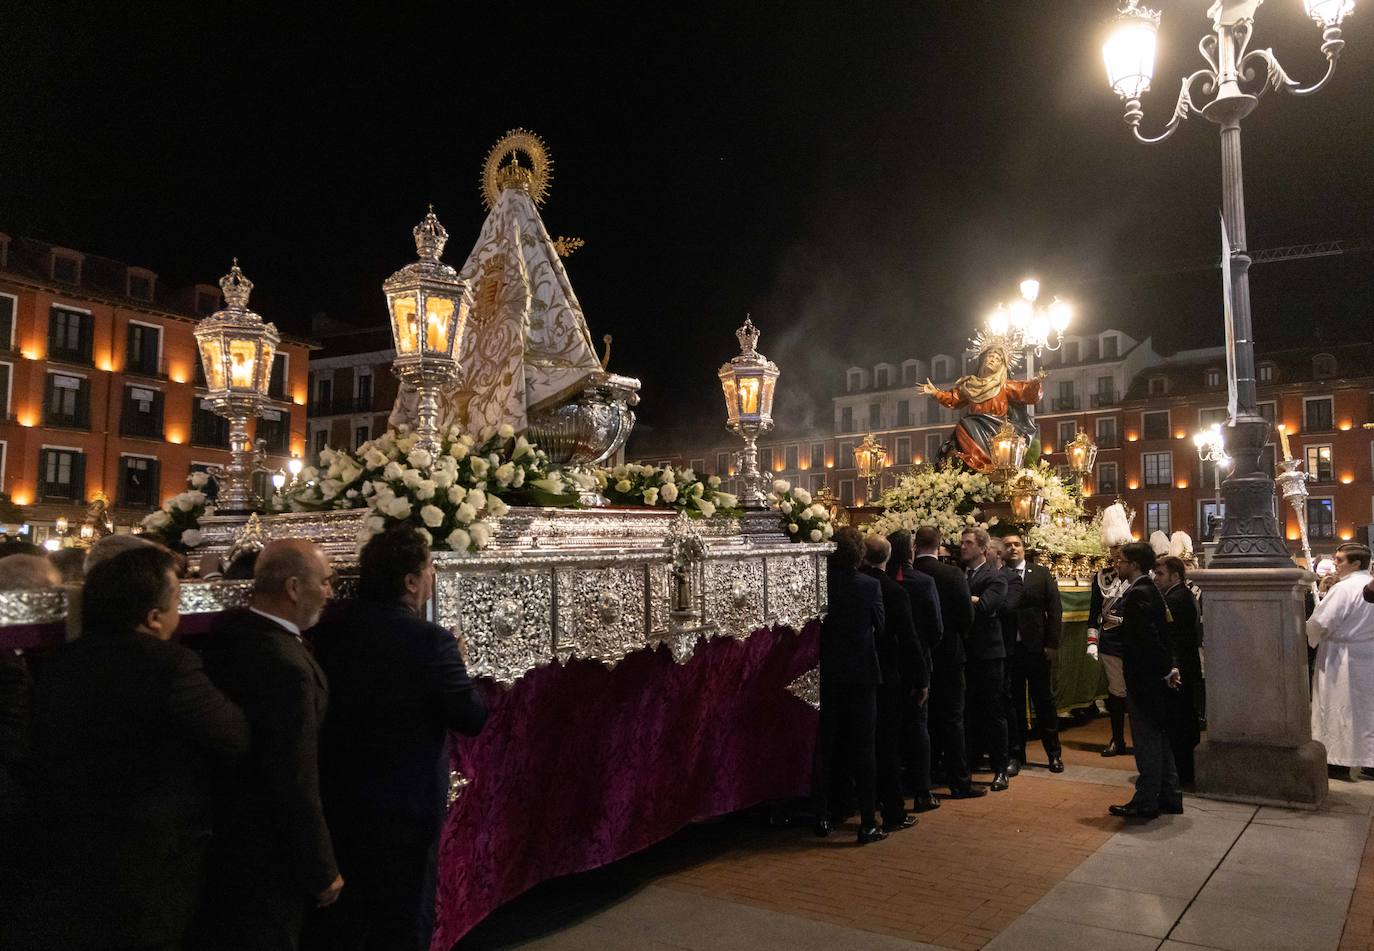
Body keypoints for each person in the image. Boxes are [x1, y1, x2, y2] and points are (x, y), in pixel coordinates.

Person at [4, 546, 250, 950]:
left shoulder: (63, 660)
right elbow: (233, 736)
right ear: (154, 617)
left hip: (66, 847)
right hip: (147, 856)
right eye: (177, 603)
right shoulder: (172, 666)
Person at [306, 526, 488, 950]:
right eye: (429, 569)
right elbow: (471, 717)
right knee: (403, 923)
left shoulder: (328, 633)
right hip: (406, 812)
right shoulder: (431, 643)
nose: (433, 577)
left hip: (340, 801)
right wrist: (461, 666)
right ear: (410, 582)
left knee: (345, 922)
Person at [194, 539, 342, 951]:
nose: (331, 592)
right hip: (268, 851)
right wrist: (321, 866)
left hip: (225, 836)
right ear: (294, 588)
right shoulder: (286, 665)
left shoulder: (231, 635)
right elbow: (294, 775)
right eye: (326, 581)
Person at [813, 527, 887, 843]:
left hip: (829, 672)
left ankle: (822, 815)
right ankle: (867, 821)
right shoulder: (869, 586)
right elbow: (880, 626)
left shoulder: (820, 585)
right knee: (863, 748)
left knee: (826, 745)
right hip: (861, 674)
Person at [1108, 543, 1182, 819]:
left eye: (1122, 561)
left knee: (1147, 740)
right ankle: (1170, 794)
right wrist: (1169, 668)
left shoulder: (1138, 594)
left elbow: (1147, 640)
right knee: (1159, 738)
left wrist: (1163, 670)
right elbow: (1166, 632)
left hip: (1144, 679)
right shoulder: (1152, 591)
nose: (1118, 565)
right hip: (1156, 676)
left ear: (1135, 564)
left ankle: (1147, 799)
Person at [910, 526, 984, 798]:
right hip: (949, 655)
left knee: (920, 720)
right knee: (952, 719)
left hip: (915, 656)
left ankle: (921, 778)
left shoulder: (905, 573)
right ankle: (958, 781)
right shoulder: (952, 574)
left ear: (915, 544)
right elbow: (967, 617)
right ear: (939, 544)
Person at [859, 535, 925, 833]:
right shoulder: (893, 591)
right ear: (886, 558)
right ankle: (893, 810)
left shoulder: (851, 584)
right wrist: (921, 679)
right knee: (888, 746)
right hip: (889, 676)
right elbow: (911, 640)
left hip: (859, 675)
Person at [885, 530, 944, 812]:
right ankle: (922, 790)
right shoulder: (923, 582)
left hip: (887, 665)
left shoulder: (882, 582)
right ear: (910, 552)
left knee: (889, 729)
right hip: (918, 662)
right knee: (918, 725)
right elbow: (936, 628)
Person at [1306, 543, 1374, 780]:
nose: (1335, 563)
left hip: (1341, 657)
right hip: (1368, 654)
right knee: (1367, 711)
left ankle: (1337, 761)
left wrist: (1308, 634)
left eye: (1340, 559)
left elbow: (1321, 623)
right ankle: (1369, 761)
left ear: (1356, 563)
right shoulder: (1365, 585)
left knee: (1338, 708)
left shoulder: (1344, 589)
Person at [920, 342, 1045, 471]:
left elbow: (1026, 392)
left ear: (1001, 366)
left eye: (997, 359)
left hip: (997, 427)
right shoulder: (970, 385)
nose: (993, 360)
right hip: (974, 425)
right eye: (991, 356)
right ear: (984, 358)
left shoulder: (1004, 385)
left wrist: (1036, 383)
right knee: (963, 428)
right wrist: (935, 393)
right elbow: (953, 398)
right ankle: (976, 465)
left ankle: (985, 466)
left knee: (965, 424)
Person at [1002, 534, 1064, 775]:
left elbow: (1054, 608)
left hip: (1036, 648)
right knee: (1014, 702)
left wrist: (1052, 644)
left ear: (1024, 548)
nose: (1013, 548)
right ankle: (1017, 755)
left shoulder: (1040, 573)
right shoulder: (1001, 574)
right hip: (1010, 648)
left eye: (1016, 544)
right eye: (1008, 545)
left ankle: (1054, 754)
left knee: (1044, 701)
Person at [960, 527, 1011, 791]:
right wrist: (971, 599)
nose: (963, 547)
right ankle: (969, 762)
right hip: (967, 652)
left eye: (968, 543)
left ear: (982, 548)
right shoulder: (961, 574)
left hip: (989, 654)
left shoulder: (996, 577)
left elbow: (986, 607)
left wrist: (963, 599)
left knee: (994, 711)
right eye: (962, 543)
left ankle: (1001, 768)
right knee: (969, 711)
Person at [1088, 503, 1134, 756]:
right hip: (1112, 642)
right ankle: (1117, 739)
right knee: (1116, 694)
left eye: (1121, 550)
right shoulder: (1101, 577)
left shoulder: (1141, 576)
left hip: (1135, 642)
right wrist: (1092, 642)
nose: (1117, 555)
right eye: (1114, 550)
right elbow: (1094, 613)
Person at [1152, 556, 1201, 786]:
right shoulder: (1178, 594)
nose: (1156, 578)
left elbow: (1168, 634)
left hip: (1179, 667)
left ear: (1175, 575)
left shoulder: (1176, 598)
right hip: (1184, 665)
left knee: (1179, 722)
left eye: (1160, 574)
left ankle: (1181, 773)